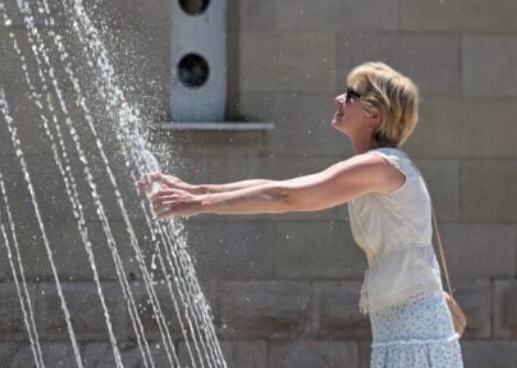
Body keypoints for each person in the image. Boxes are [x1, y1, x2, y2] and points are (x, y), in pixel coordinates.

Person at [141, 62, 464, 367]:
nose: (339, 98)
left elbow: (287, 197)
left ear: (374, 115)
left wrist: (199, 205)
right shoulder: (382, 165)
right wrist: (197, 192)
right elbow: (281, 187)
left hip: (416, 338)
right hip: (403, 334)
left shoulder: (381, 166)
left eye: (351, 95)